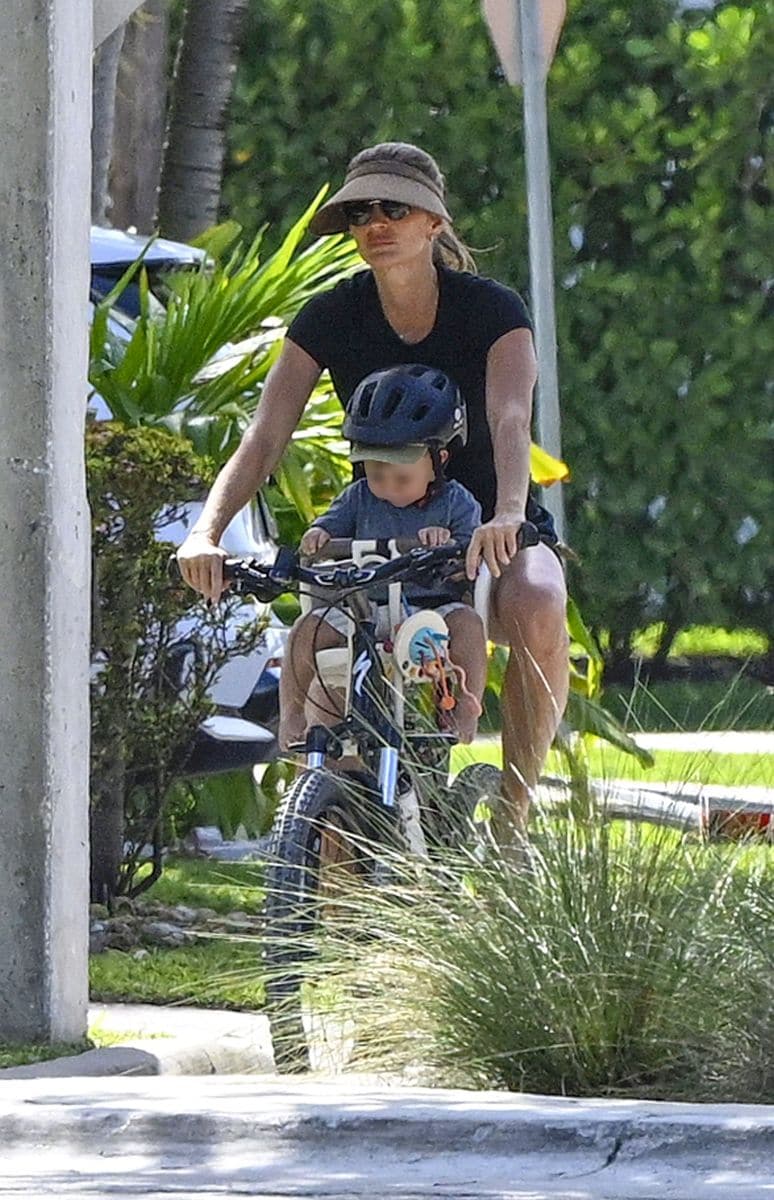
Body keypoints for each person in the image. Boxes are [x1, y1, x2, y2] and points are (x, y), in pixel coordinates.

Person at [177, 141, 569, 856]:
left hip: (486, 518)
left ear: (434, 222)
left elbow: (512, 418)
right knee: (325, 644)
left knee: (539, 599)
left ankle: (512, 819)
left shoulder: (493, 309)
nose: (376, 224)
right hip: (379, 519)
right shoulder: (331, 316)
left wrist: (509, 515)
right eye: (361, 213)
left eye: (395, 208)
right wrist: (206, 532)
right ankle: (333, 837)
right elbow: (265, 437)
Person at [280, 365, 486, 751]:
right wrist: (318, 536)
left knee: (469, 625)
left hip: (428, 612)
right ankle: (292, 715)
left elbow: (469, 554)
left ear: (438, 460)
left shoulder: (456, 502)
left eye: (402, 478)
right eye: (377, 475)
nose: (388, 487)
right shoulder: (358, 497)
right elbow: (326, 530)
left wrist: (448, 544)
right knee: (306, 629)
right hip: (363, 610)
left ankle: (462, 712)